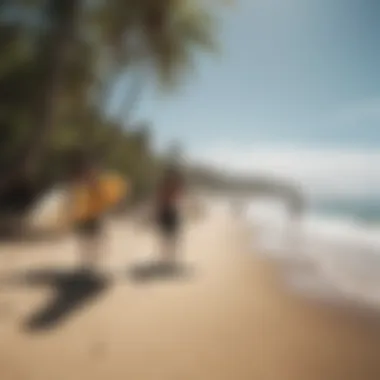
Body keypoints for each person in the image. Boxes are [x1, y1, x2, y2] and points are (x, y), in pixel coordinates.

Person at [68, 152, 105, 272]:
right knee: (85, 239)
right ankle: (87, 262)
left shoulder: (95, 184)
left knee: (93, 239)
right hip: (84, 215)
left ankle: (91, 261)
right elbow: (75, 197)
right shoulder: (80, 183)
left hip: (93, 215)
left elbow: (101, 198)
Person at [155, 167, 184, 265]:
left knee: (170, 236)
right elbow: (160, 199)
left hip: (171, 211)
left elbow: (177, 198)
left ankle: (169, 258)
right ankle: (167, 258)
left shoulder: (171, 185)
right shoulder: (166, 186)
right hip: (167, 212)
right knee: (167, 236)